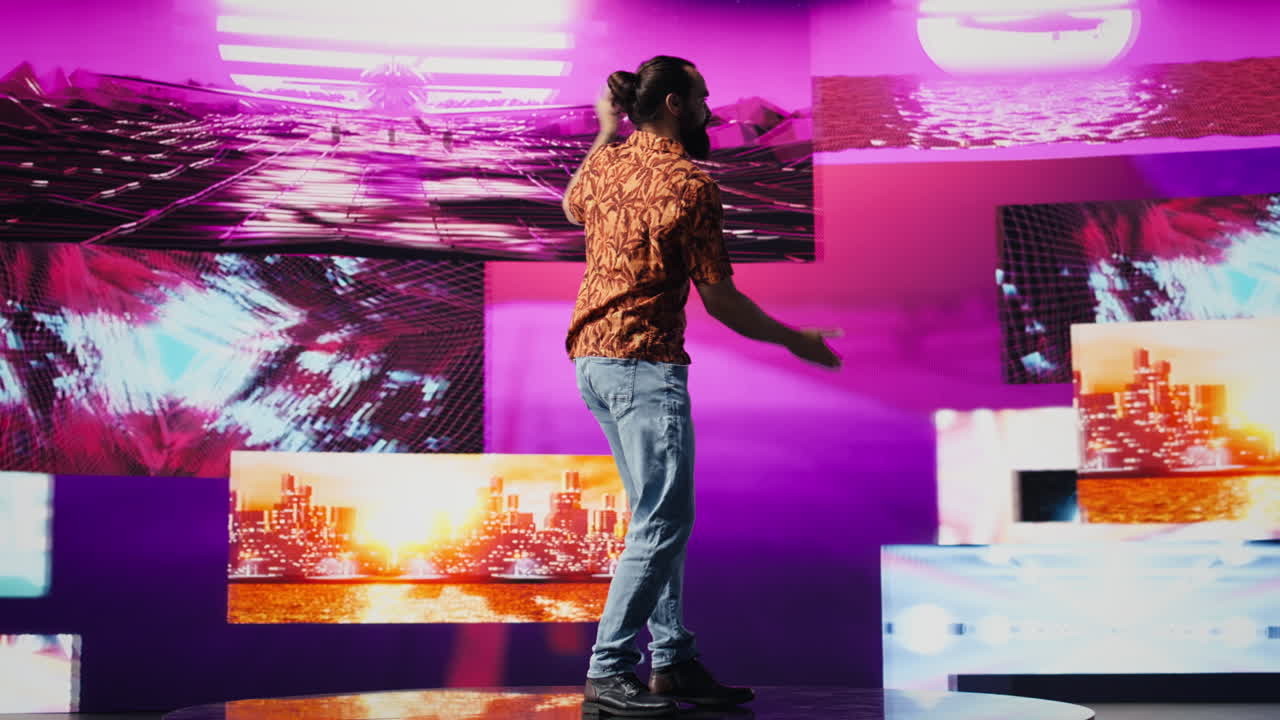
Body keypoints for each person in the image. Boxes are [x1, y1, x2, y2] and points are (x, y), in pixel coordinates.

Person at [563, 56, 842, 717]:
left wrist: (606, 132)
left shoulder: (609, 162)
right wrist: (793, 340)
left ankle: (674, 661)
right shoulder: (691, 184)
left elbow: (574, 208)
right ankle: (608, 671)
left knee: (654, 523)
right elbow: (721, 302)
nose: (714, 110)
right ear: (674, 106)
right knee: (665, 522)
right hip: (643, 367)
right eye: (703, 98)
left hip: (593, 365)